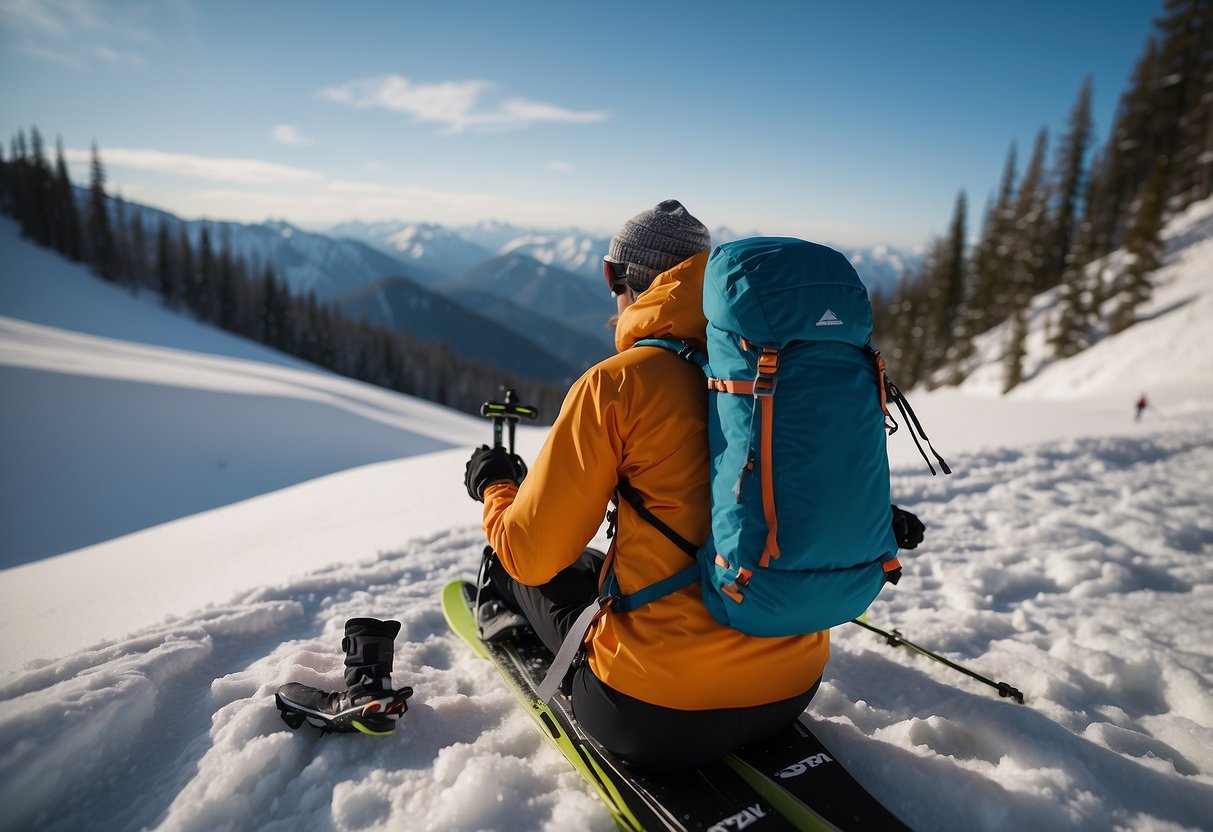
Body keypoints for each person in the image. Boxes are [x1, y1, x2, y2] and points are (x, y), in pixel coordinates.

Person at [464, 199, 922, 770]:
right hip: (791, 689)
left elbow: (530, 555)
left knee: (514, 562)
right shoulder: (783, 371)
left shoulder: (618, 384)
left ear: (620, 278)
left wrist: (496, 490)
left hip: (649, 712)